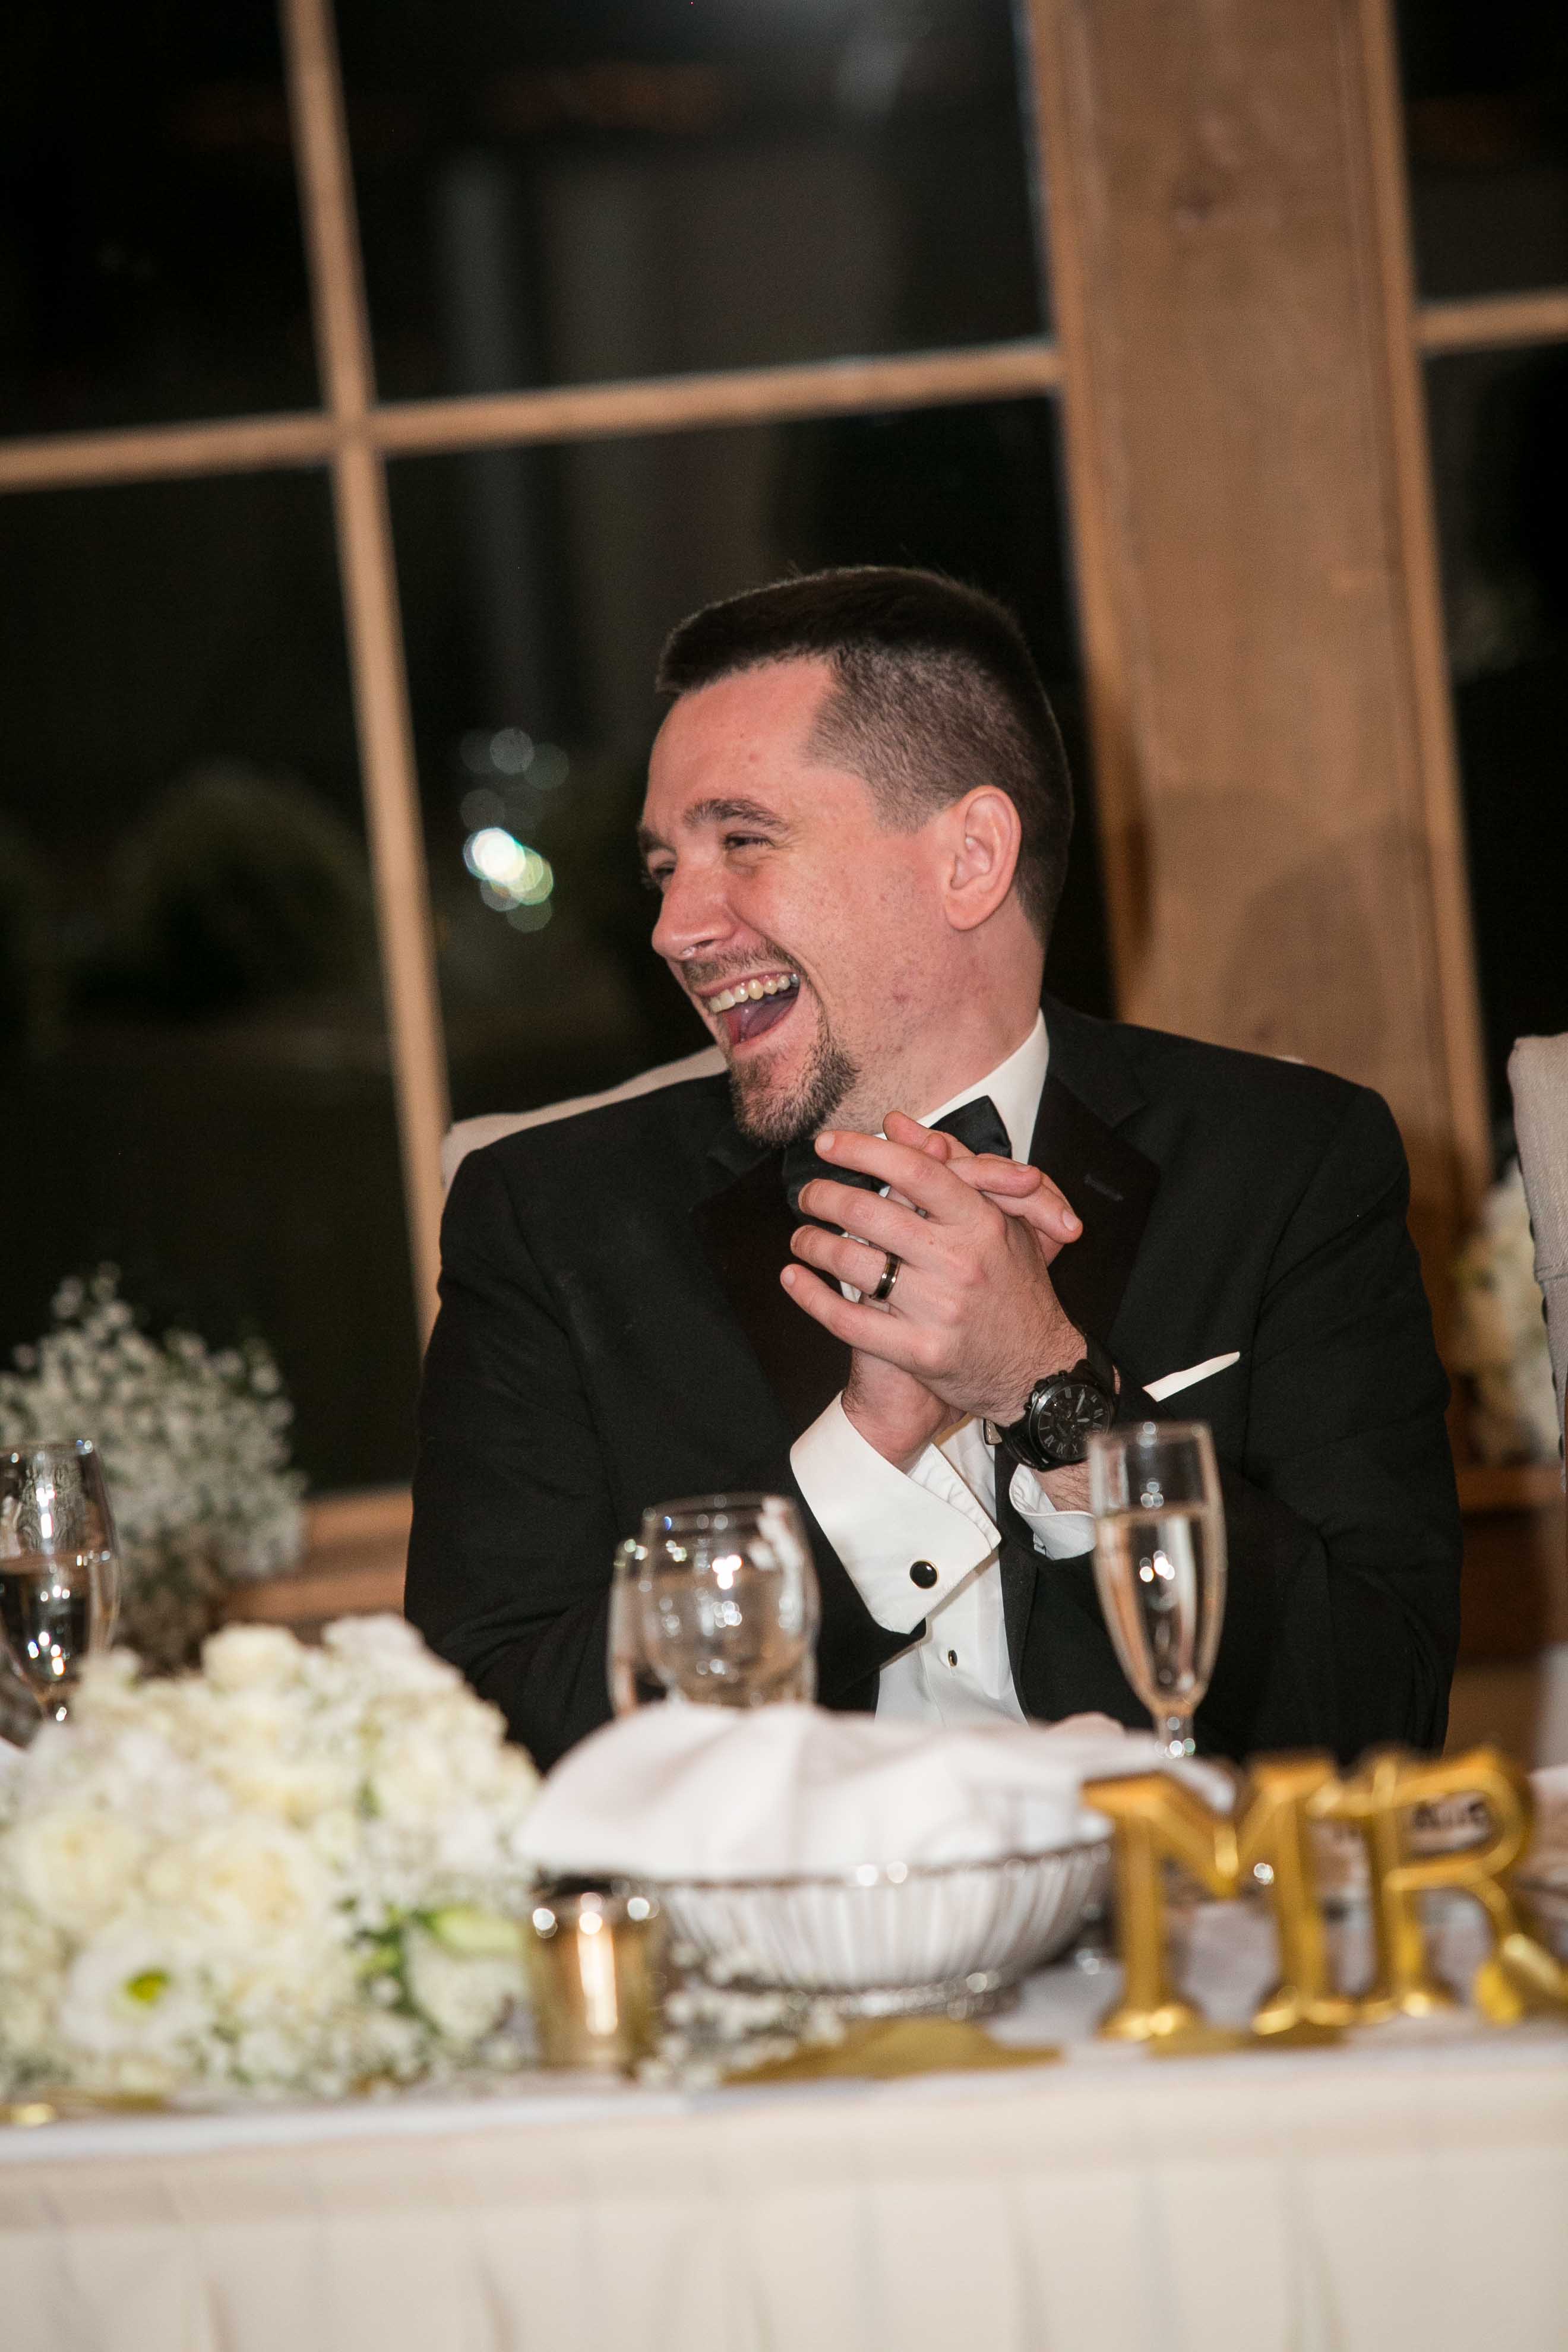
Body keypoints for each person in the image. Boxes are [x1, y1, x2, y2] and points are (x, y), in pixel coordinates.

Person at [406, 567, 1460, 1771]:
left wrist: (1051, 1392)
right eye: (664, 868)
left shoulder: (1289, 1164)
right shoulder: (549, 1220)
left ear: (972, 858)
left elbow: (1381, 1716)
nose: (676, 927)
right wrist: (864, 1456)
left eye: (742, 841)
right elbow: (485, 1747)